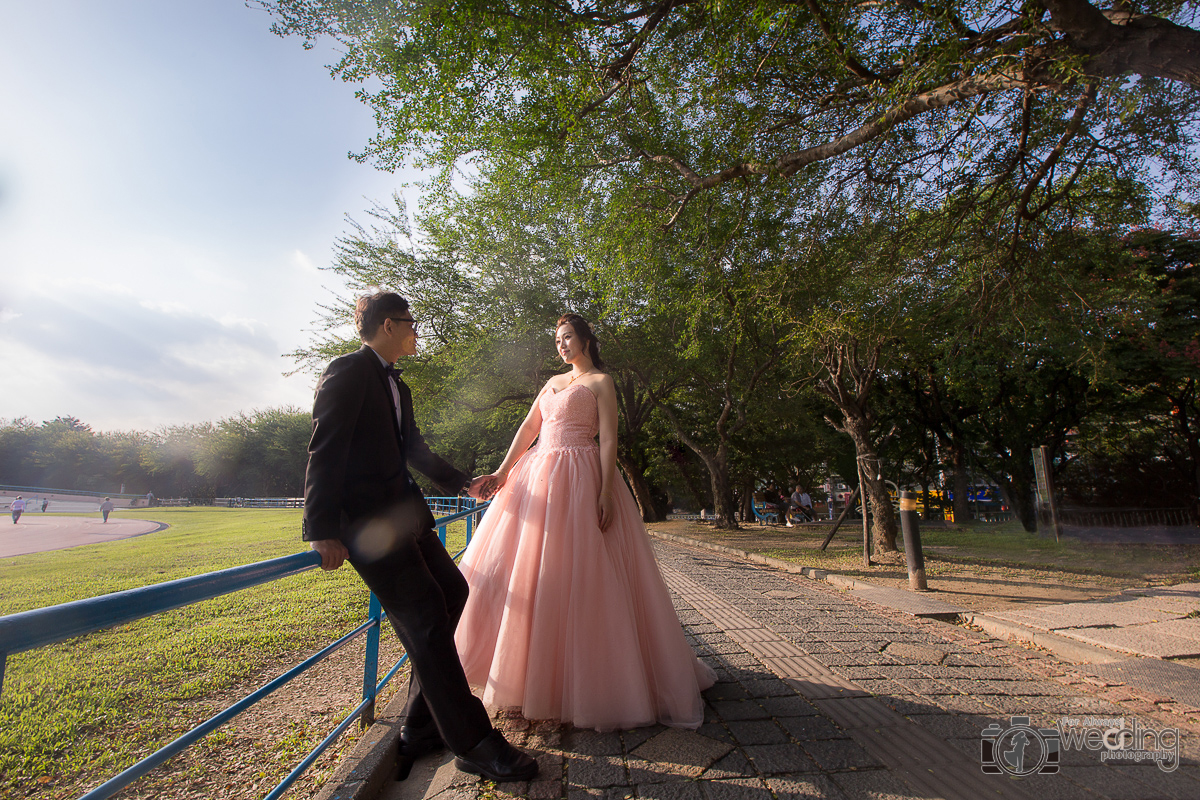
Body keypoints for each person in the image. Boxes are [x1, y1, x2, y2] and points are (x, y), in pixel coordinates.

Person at [302, 291, 536, 782]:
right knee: (427, 616)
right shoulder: (347, 372)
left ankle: (420, 724)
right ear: (388, 325)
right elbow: (324, 449)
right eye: (411, 322)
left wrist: (460, 482)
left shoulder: (397, 387)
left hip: (408, 517)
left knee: (453, 591)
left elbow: (413, 449)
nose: (416, 329)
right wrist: (320, 529)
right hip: (366, 526)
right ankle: (473, 742)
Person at [455, 313, 715, 731]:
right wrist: (503, 473)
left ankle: (591, 682)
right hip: (538, 477)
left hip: (581, 476)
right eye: (557, 339)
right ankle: (523, 678)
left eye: (568, 336)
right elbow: (528, 428)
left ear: (586, 339)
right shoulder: (551, 383)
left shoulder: (601, 383)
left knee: (584, 574)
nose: (561, 344)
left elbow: (609, 437)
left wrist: (606, 491)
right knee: (535, 573)